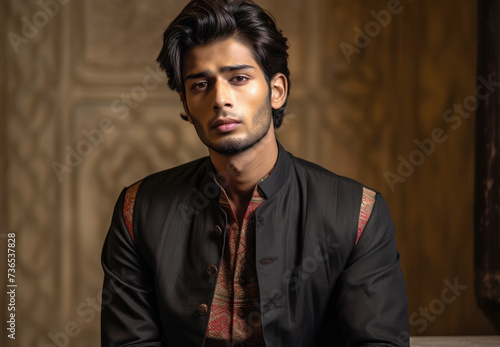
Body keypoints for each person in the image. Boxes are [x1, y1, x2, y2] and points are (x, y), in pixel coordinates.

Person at [100, 0, 409, 346]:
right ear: (186, 106)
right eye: (200, 85)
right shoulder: (138, 210)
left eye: (239, 78)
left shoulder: (357, 214)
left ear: (276, 90)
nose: (221, 99)